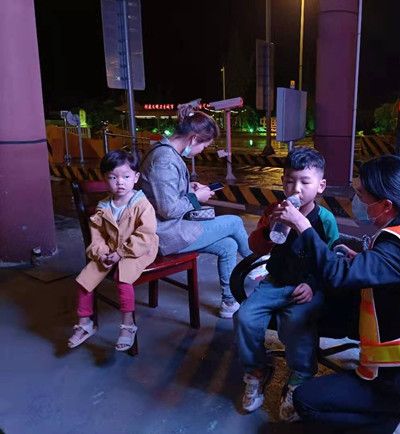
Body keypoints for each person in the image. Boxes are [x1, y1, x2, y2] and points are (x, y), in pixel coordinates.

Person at [271, 155, 400, 434]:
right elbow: (396, 276)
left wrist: (302, 225)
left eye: (362, 195)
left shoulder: (394, 246)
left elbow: (337, 275)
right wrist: (362, 260)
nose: (356, 200)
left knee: (306, 402)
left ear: (386, 205)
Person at [234, 147, 339, 421]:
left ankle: (300, 375)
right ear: (282, 182)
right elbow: (256, 247)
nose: (297, 189)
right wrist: (268, 229)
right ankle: (257, 370)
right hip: (275, 281)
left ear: (320, 186)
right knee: (244, 317)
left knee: (295, 322)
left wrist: (314, 285)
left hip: (308, 286)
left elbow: (332, 259)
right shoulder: (274, 210)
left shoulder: (325, 220)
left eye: (305, 182)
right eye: (290, 181)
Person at [139, 103, 252, 318]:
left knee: (228, 245)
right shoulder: (165, 160)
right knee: (234, 222)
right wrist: (196, 197)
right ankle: (257, 264)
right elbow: (168, 209)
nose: (202, 151)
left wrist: (188, 188)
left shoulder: (163, 151)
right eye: (204, 146)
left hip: (168, 227)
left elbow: (163, 192)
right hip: (162, 233)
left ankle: (229, 303)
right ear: (193, 139)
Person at [68, 150, 159, 351]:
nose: (120, 182)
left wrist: (120, 253)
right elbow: (98, 236)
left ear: (136, 177)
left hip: (139, 249)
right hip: (110, 249)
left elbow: (146, 234)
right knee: (85, 279)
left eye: (126, 176)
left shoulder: (142, 204)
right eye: (113, 177)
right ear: (105, 179)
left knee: (123, 277)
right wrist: (101, 253)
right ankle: (85, 323)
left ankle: (128, 325)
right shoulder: (104, 206)